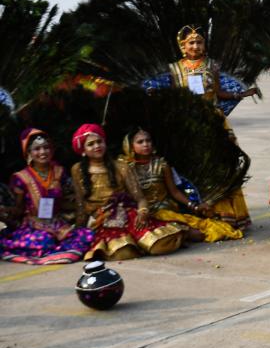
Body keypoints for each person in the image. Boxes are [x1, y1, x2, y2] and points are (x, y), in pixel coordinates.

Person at [171, 26, 253, 228]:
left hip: (214, 121)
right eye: (191, 42)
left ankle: (226, 213)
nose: (196, 46)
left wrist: (238, 95)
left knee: (222, 164)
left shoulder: (212, 65)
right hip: (189, 123)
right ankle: (198, 211)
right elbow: (175, 97)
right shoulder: (175, 69)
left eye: (199, 42)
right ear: (183, 46)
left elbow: (218, 92)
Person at [70, 123, 185, 261]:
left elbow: (140, 198)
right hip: (100, 220)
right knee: (123, 252)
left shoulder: (121, 167)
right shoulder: (77, 170)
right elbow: (81, 205)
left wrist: (142, 212)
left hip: (127, 215)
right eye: (91, 144)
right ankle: (137, 245)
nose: (97, 146)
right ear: (83, 150)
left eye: (99, 141)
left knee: (160, 245)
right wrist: (79, 230)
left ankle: (143, 243)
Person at [122, 127, 243, 243]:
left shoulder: (162, 165)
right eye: (140, 142)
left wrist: (194, 206)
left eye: (148, 140)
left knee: (199, 234)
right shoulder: (126, 168)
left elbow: (174, 192)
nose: (145, 144)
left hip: (164, 210)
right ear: (130, 146)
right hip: (142, 213)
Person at [1, 128, 94, 264]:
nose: (43, 152)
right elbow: (19, 209)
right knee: (45, 241)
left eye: (46, 147)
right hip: (33, 225)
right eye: (37, 149)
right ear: (29, 153)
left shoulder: (59, 172)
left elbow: (72, 198)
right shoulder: (20, 178)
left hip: (58, 223)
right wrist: (5, 211)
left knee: (87, 234)